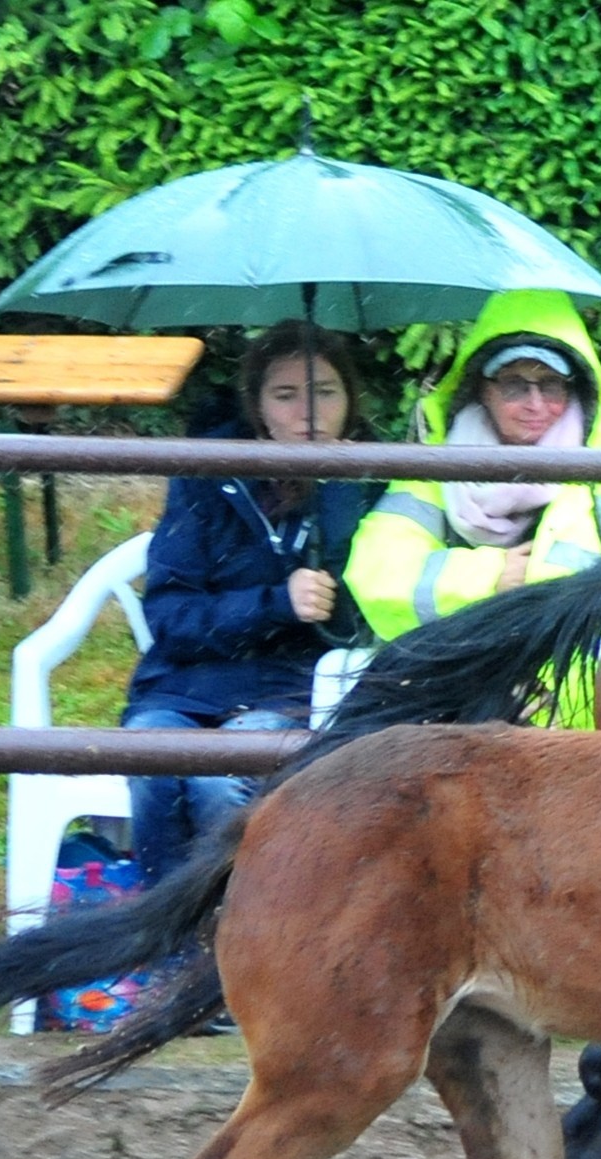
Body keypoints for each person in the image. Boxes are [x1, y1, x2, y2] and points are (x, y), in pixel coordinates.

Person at [125, 322, 373, 885]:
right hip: (183, 686)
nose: (308, 412)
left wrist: (338, 494)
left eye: (325, 392)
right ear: (258, 406)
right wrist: (275, 603)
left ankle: (234, 923)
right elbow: (169, 616)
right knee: (153, 769)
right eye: (285, 395)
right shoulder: (206, 476)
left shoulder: (376, 479)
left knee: (221, 783)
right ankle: (159, 921)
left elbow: (362, 621)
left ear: (351, 400)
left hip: (294, 691)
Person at [344, 289, 601, 638]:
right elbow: (376, 574)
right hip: (460, 665)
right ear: (482, 388)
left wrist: (541, 596)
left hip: (575, 671)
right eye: (514, 385)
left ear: (576, 389)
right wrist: (490, 577)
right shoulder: (438, 464)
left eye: (551, 385)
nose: (535, 404)